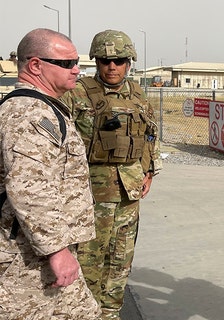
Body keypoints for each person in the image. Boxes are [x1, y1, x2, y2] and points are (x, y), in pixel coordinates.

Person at [61, 29, 161, 320]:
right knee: (89, 260)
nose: (112, 66)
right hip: (90, 194)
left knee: (120, 259)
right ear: (96, 61)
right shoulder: (76, 93)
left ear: (129, 62)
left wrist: (150, 170)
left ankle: (111, 313)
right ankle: (86, 313)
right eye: (105, 60)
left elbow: (151, 135)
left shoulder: (139, 95)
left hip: (128, 193)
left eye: (119, 60)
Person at [0, 28, 100, 319]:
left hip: (38, 250)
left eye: (76, 62)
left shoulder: (44, 108)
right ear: (35, 65)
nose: (77, 70)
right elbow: (30, 188)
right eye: (67, 63)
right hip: (26, 259)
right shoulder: (30, 114)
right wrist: (57, 251)